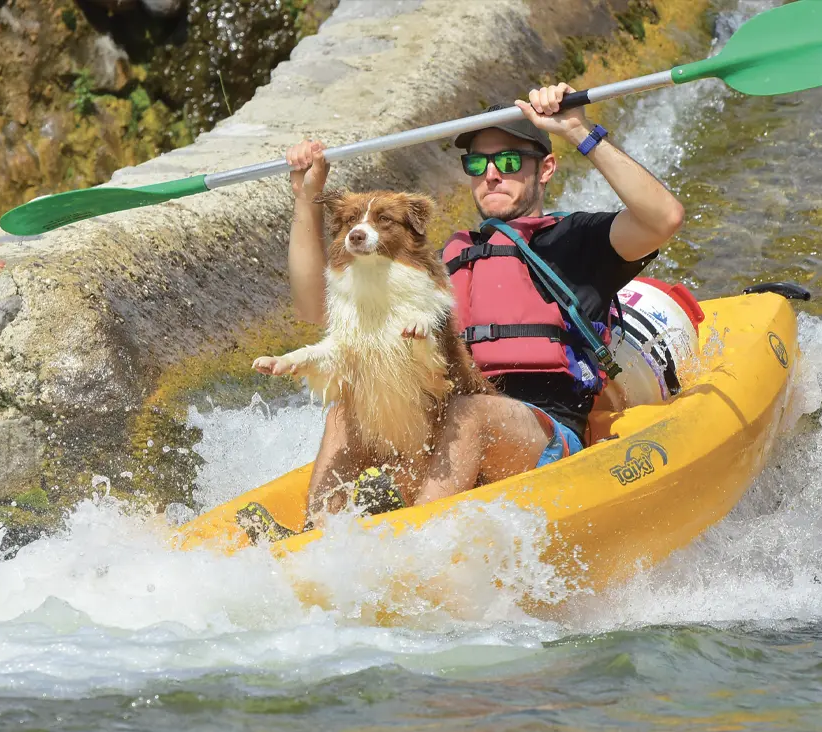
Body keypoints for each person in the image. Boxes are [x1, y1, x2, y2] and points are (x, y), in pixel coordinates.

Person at [263, 82, 683, 514]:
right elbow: (314, 307)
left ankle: (416, 544)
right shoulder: (441, 259)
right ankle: (315, 543)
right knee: (345, 414)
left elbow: (663, 218)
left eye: (508, 160)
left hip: (540, 433)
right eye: (478, 162)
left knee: (470, 413)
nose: (491, 173)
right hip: (442, 421)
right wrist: (304, 200)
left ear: (546, 169)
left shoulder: (576, 241)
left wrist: (579, 130)